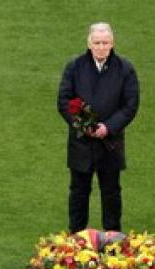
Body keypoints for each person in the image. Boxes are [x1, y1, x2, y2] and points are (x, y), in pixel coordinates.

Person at [57, 23, 140, 234]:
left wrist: (108, 127)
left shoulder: (125, 69)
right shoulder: (74, 67)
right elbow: (64, 101)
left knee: (111, 192)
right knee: (78, 192)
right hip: (81, 143)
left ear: (112, 44)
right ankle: (76, 239)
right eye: (97, 43)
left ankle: (113, 241)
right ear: (89, 43)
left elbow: (130, 104)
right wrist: (85, 126)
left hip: (110, 143)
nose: (101, 47)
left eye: (105, 43)